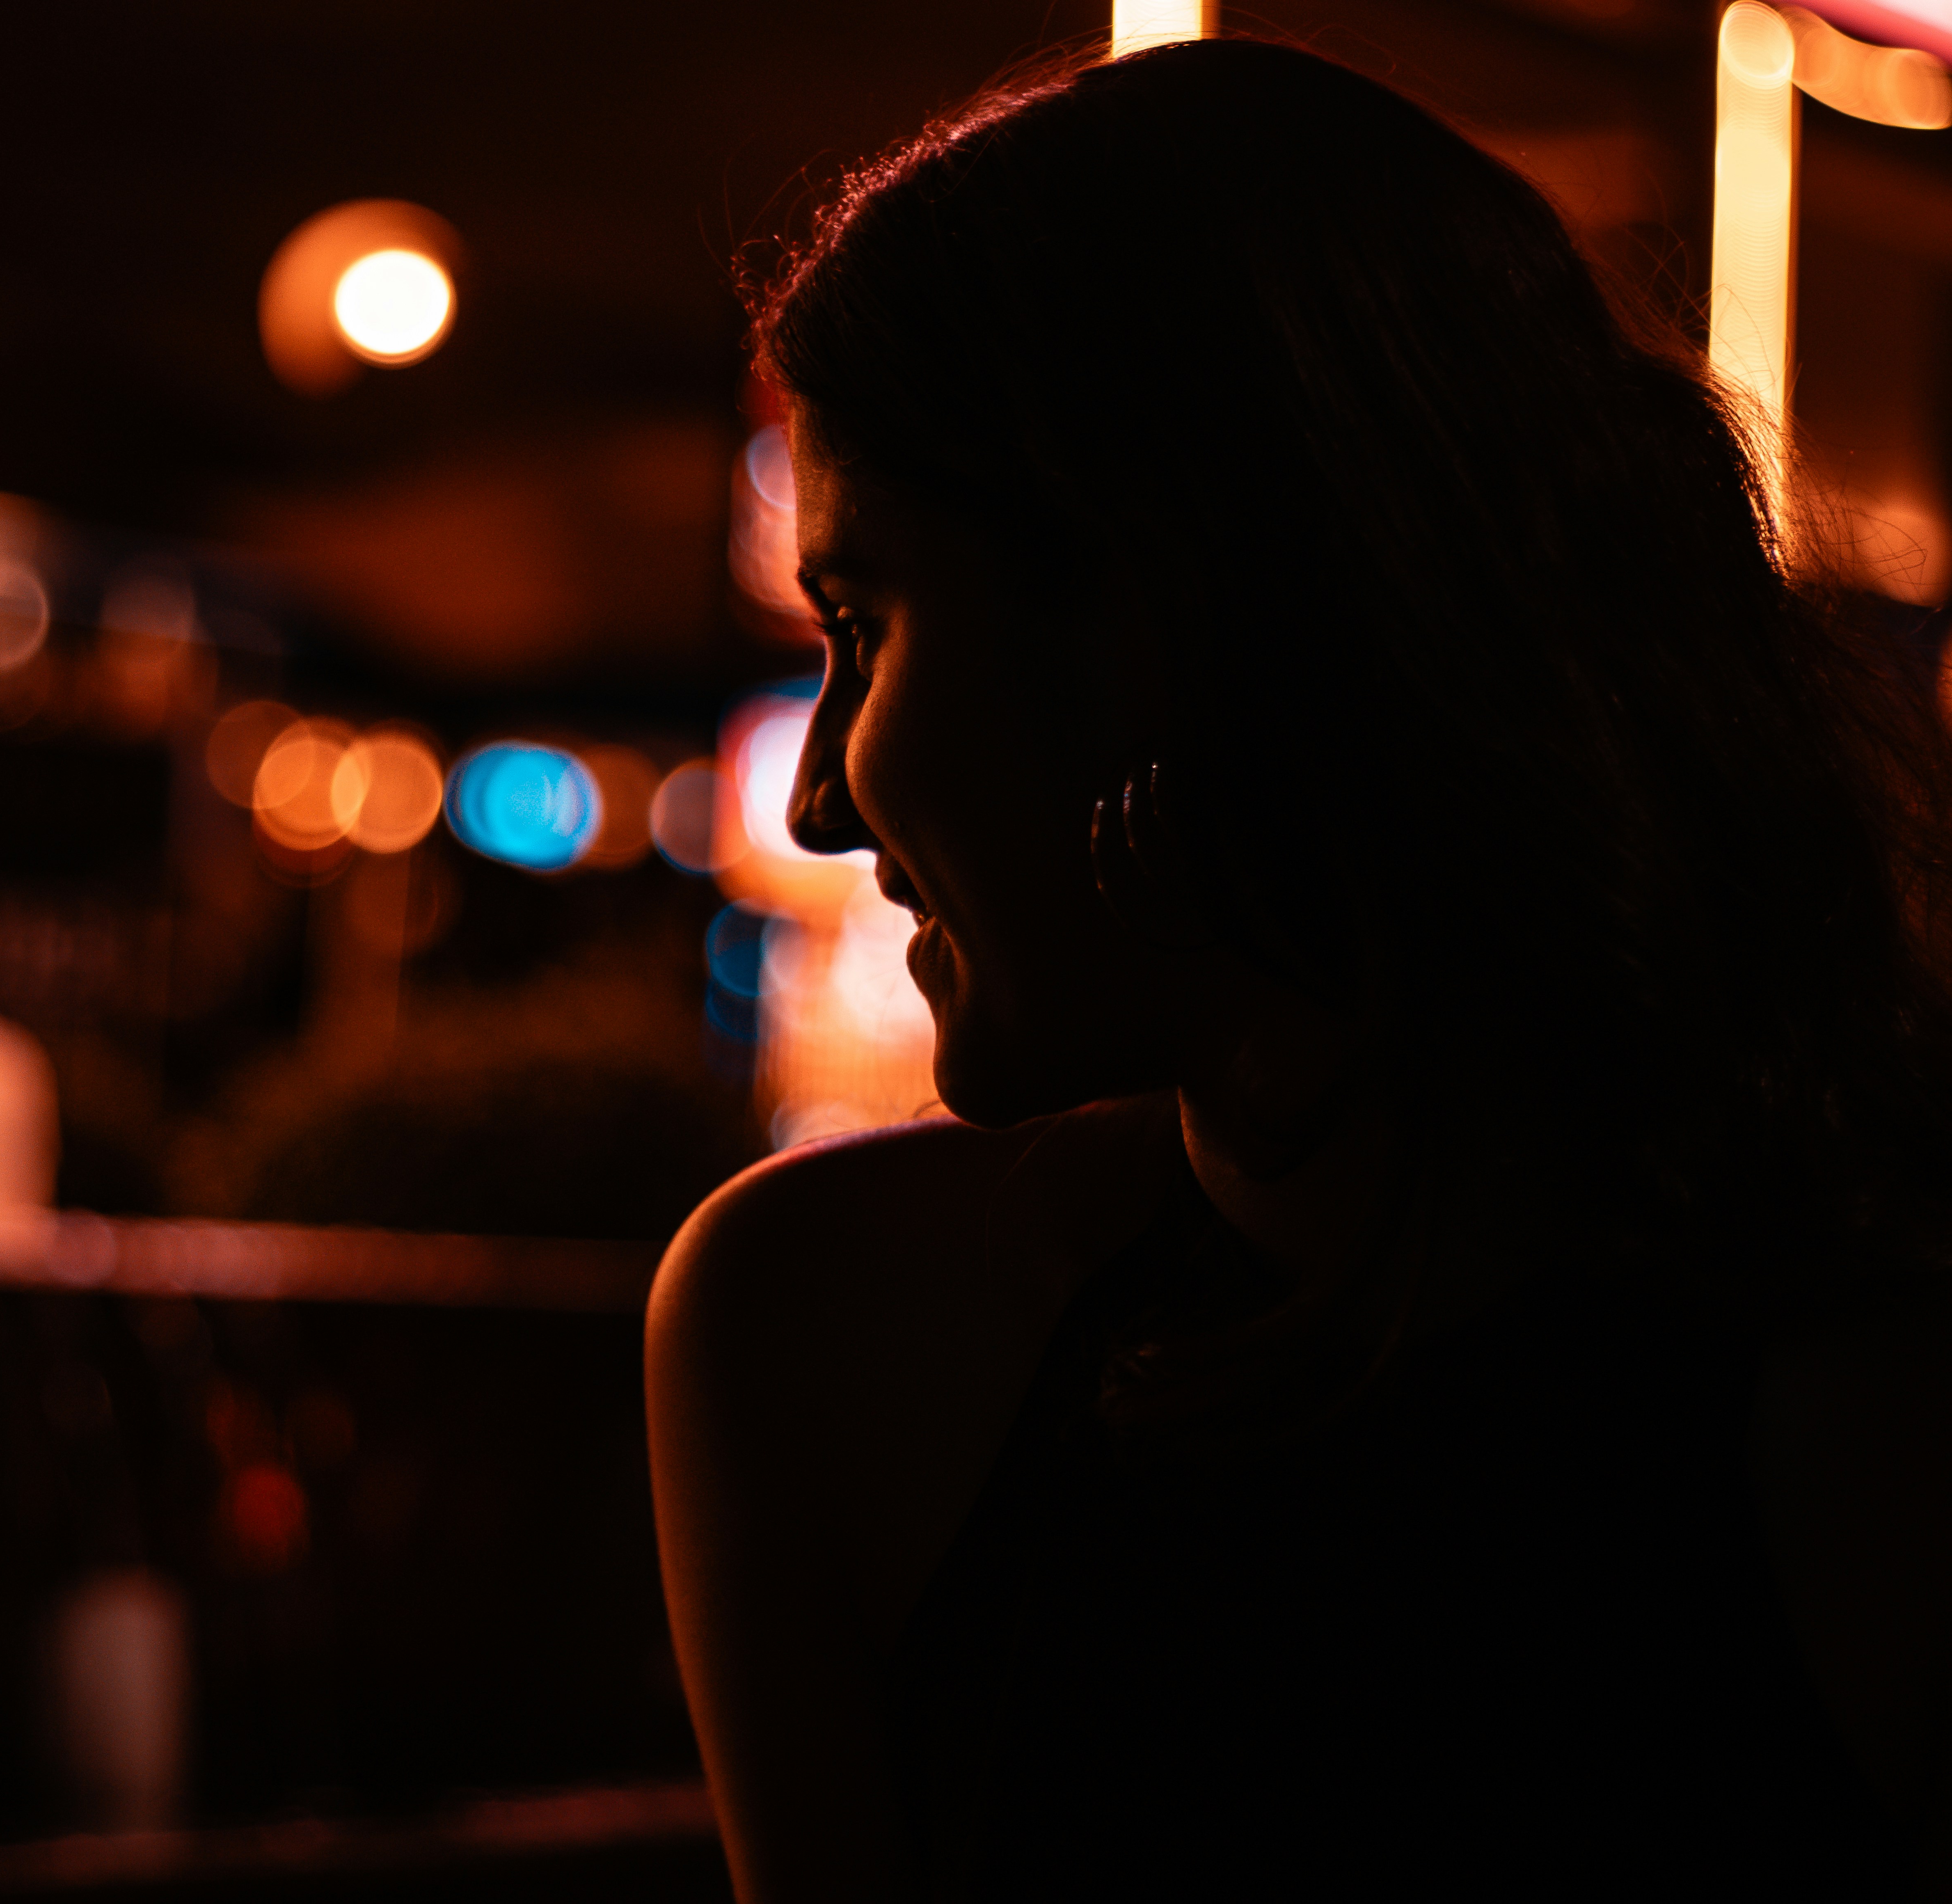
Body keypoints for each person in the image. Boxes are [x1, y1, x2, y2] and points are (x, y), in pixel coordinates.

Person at [647, 36, 1952, 1897]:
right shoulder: (817, 1330)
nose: (821, 792)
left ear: (1173, 612)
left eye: (863, 623)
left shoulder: (1883, 1430)